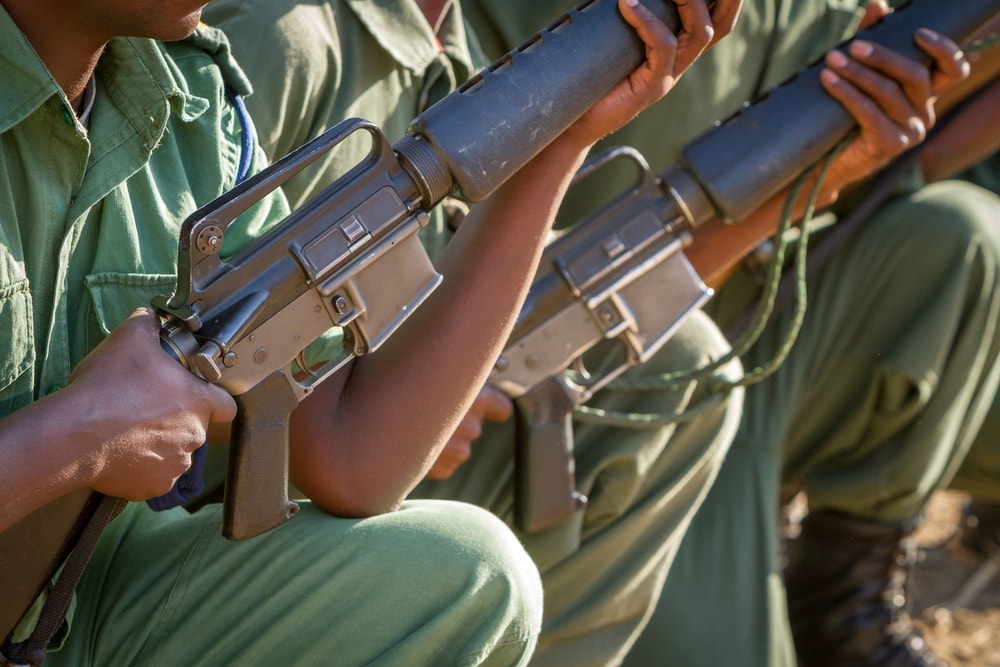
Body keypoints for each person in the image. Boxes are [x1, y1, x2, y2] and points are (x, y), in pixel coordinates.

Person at [0, 0, 692, 663]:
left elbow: (351, 457)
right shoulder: (275, 41)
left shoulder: (192, 98)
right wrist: (80, 434)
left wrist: (558, 140)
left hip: (80, 596)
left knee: (469, 573)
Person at [200, 1, 747, 665]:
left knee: (689, 362)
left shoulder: (453, 54)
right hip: (216, 496)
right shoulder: (281, 39)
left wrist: (568, 132)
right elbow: (184, 350)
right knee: (481, 566)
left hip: (348, 445)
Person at [463, 0, 1000, 665]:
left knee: (957, 240)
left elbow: (873, 140)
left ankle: (843, 605)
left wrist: (843, 154)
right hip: (537, 378)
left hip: (709, 352)